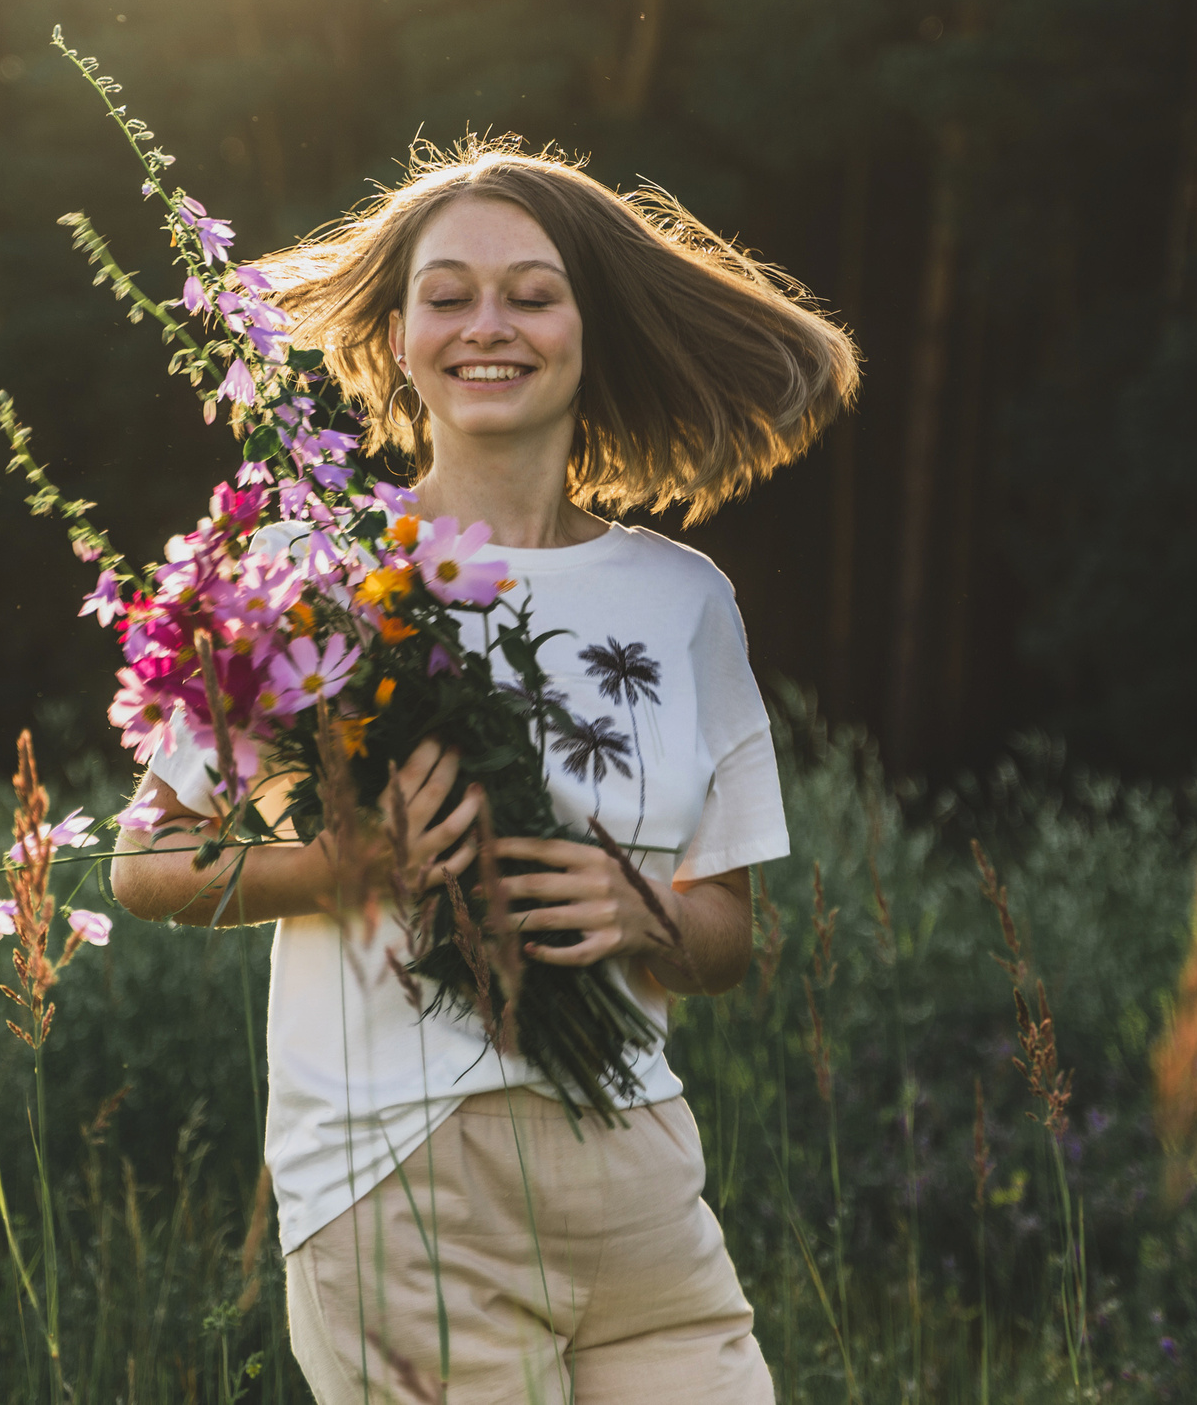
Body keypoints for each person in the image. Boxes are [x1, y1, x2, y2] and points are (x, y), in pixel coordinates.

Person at [109, 140, 858, 1402]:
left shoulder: (682, 599)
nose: (487, 327)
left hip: (639, 1174)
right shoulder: (314, 572)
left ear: (587, 325)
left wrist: (647, 916)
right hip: (395, 1176)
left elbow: (731, 936)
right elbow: (143, 863)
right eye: (447, 296)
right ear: (396, 336)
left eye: (532, 291)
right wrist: (357, 865)